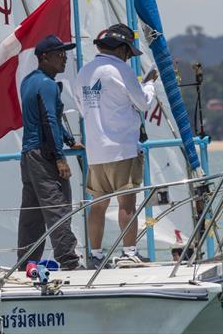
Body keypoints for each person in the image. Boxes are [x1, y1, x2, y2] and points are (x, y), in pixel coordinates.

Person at [75, 24, 157, 268]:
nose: (129, 57)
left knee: (98, 206)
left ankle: (96, 255)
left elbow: (82, 109)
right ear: (122, 49)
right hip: (121, 147)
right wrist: (150, 83)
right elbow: (143, 103)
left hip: (96, 151)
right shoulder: (121, 70)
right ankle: (129, 252)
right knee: (127, 203)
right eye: (129, 53)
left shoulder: (83, 73)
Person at [17, 35, 82, 271]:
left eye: (64, 53)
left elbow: (47, 117)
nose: (64, 58)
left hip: (28, 154)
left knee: (32, 212)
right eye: (59, 54)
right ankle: (69, 261)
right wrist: (60, 157)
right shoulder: (46, 84)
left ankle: (26, 262)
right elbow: (49, 120)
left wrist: (69, 140)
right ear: (44, 57)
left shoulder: (28, 81)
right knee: (59, 207)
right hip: (44, 155)